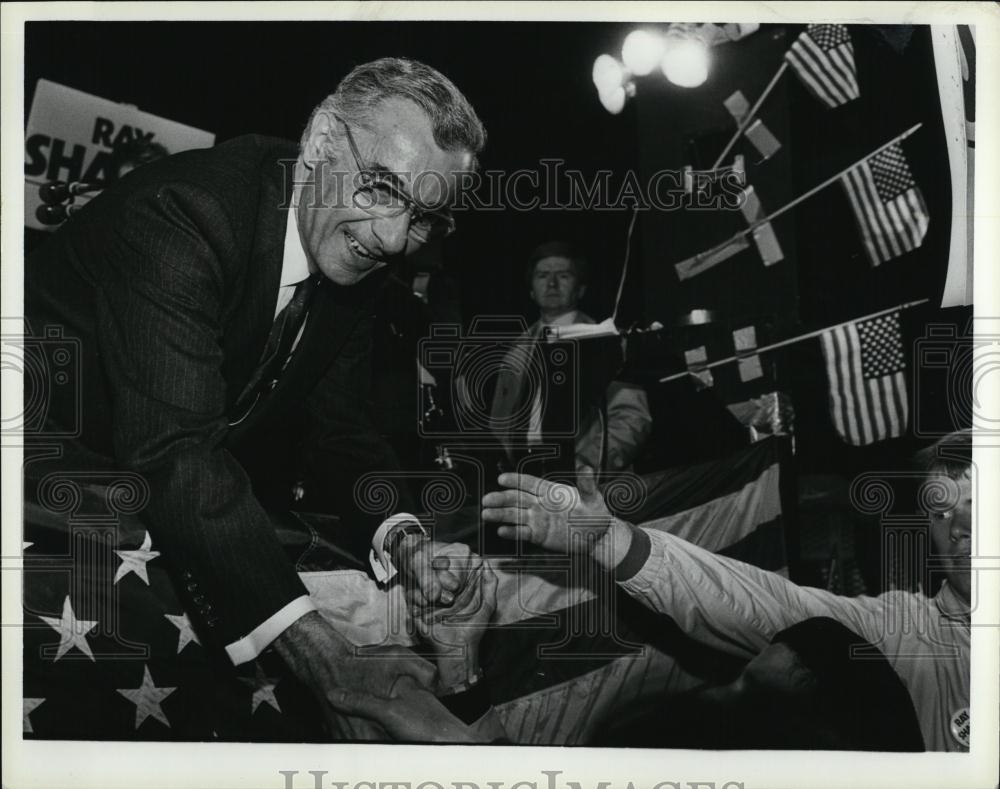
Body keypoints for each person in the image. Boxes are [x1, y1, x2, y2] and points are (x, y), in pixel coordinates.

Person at [24, 57, 487, 735]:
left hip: (137, 489)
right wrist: (326, 660)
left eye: (424, 217)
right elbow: (177, 450)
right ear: (323, 141)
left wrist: (408, 540)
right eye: (382, 187)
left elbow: (339, 432)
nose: (393, 238)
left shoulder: (354, 249)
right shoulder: (186, 213)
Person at [481, 429, 974, 751]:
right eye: (942, 511)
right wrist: (612, 541)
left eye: (980, 500)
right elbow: (758, 603)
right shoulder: (908, 636)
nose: (960, 527)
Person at [489, 241, 652, 475]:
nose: (552, 283)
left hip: (585, 478)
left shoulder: (608, 343)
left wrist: (584, 467)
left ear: (581, 288)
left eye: (563, 275)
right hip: (524, 476)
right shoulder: (517, 349)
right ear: (531, 291)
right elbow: (499, 421)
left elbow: (632, 419)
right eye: (543, 275)